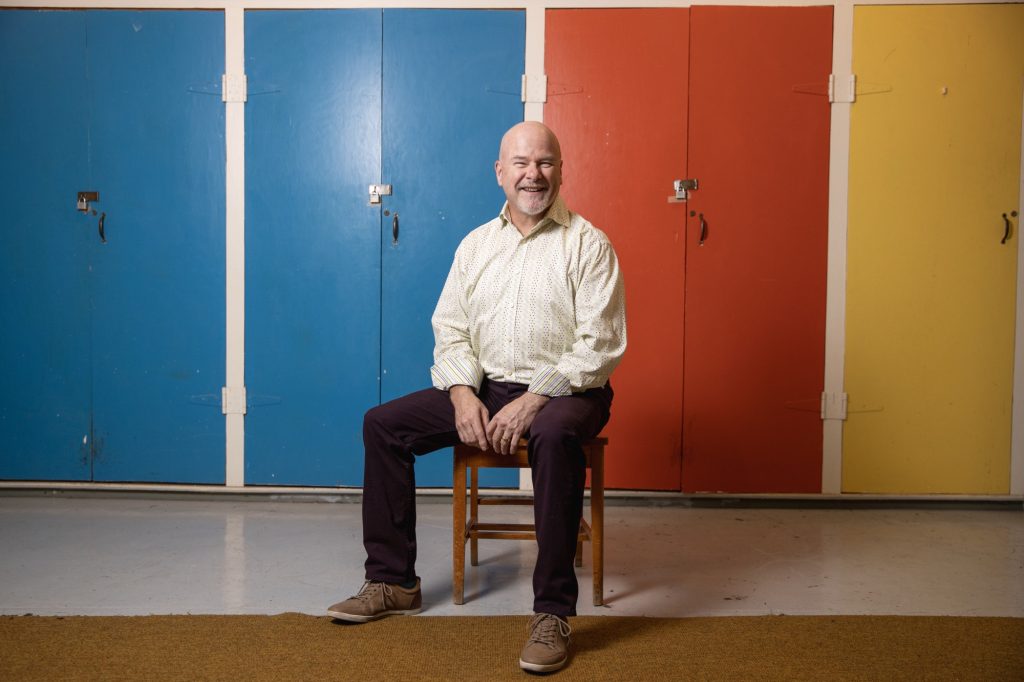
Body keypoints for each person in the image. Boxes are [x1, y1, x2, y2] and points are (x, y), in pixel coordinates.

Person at [327, 121, 626, 674]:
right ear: (499, 172)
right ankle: (393, 582)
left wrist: (535, 398)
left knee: (553, 434)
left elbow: (599, 347)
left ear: (562, 171)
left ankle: (553, 613)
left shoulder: (589, 244)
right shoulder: (476, 245)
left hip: (571, 389)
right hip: (488, 385)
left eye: (545, 163)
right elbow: (452, 329)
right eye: (521, 163)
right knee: (383, 425)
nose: (533, 175)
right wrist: (463, 394)